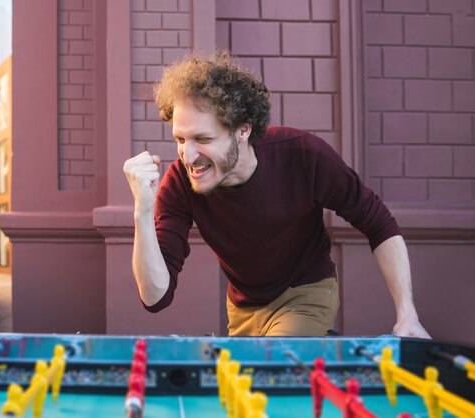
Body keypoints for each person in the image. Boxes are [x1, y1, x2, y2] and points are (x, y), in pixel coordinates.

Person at [123, 50, 430, 338]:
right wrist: (142, 212)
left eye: (202, 138)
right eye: (180, 139)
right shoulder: (180, 182)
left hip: (305, 291)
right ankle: (317, 347)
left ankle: (314, 341)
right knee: (244, 388)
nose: (188, 156)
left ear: (243, 130)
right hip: (243, 307)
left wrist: (408, 313)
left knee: (269, 375)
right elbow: (155, 297)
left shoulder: (302, 154)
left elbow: (378, 222)